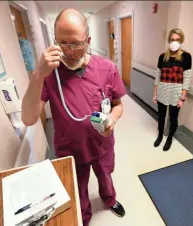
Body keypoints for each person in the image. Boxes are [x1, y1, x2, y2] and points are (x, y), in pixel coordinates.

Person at [21, 8, 126, 226]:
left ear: (88, 41)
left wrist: (112, 120)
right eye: (62, 43)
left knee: (106, 176)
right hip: (70, 149)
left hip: (101, 144)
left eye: (76, 43)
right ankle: (83, 218)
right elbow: (28, 118)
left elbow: (118, 105)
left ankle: (110, 199)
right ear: (54, 40)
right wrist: (38, 75)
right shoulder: (49, 74)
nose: (68, 51)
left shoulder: (107, 68)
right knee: (77, 188)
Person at [152, 28, 192, 151]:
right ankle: (159, 135)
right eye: (173, 39)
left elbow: (187, 78)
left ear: (181, 41)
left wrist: (183, 98)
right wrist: (155, 94)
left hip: (176, 94)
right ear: (169, 40)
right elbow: (158, 77)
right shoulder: (162, 57)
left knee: (173, 118)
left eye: (178, 40)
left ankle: (169, 138)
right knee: (161, 116)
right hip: (162, 92)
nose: (175, 42)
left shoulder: (186, 57)